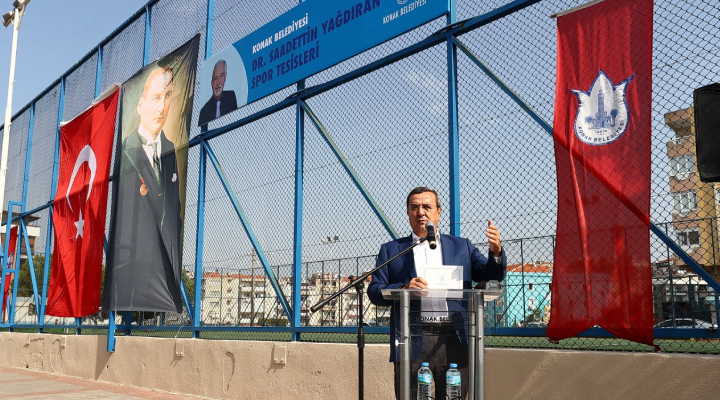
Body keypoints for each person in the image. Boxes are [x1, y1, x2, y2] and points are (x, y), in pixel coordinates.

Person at [367, 187, 506, 400]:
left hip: (454, 338)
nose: (421, 212)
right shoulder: (392, 250)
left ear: (439, 212)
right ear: (408, 212)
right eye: (414, 207)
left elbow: (490, 274)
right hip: (412, 336)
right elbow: (375, 290)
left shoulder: (462, 246)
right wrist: (404, 289)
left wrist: (496, 252)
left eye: (427, 206)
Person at [103, 66, 183, 313]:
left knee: (151, 324)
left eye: (167, 96)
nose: (162, 106)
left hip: (162, 267)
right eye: (156, 97)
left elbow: (174, 211)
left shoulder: (170, 149)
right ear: (140, 104)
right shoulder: (126, 150)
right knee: (132, 320)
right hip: (131, 269)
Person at [198, 59, 237, 125]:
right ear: (211, 83)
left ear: (225, 78)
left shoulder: (231, 97)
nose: (218, 83)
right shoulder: (204, 111)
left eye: (221, 76)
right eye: (215, 78)